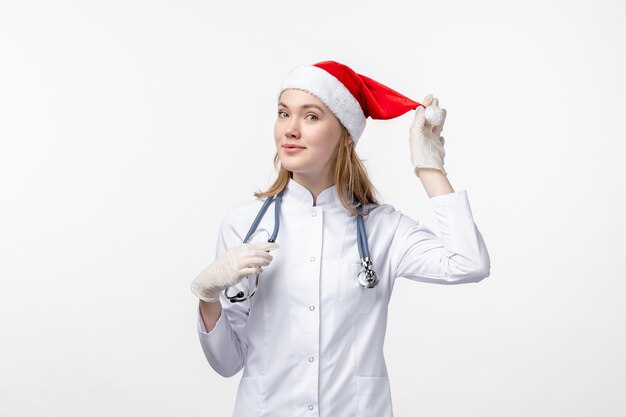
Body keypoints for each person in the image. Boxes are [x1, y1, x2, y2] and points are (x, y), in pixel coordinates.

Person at [190, 60, 491, 417]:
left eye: (311, 116)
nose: (291, 129)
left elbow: (469, 263)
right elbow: (227, 361)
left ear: (346, 133)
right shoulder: (243, 225)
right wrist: (208, 297)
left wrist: (429, 166)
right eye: (284, 114)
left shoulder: (383, 229)